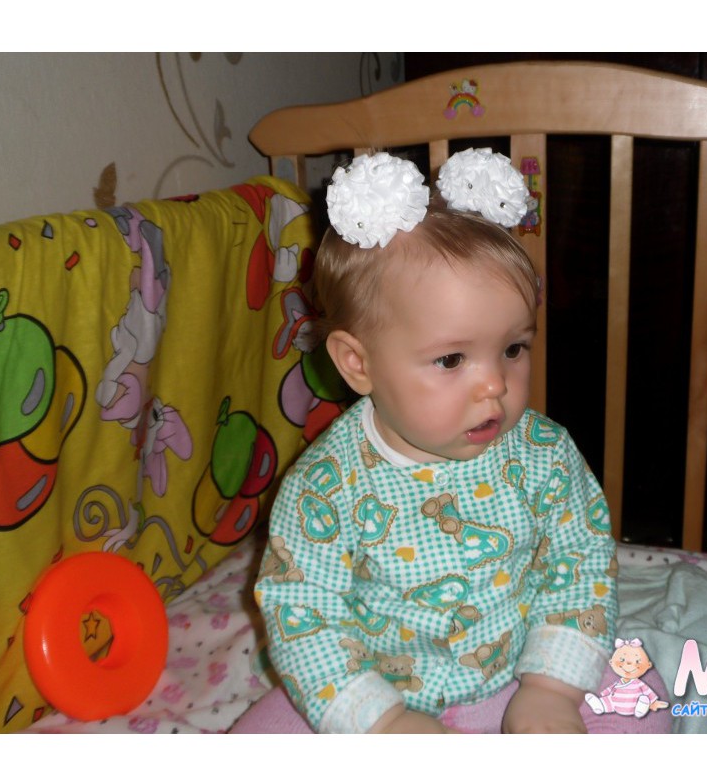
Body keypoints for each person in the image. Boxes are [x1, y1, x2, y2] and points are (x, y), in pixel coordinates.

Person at [235, 149, 618, 734]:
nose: (495, 385)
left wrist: (552, 687)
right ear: (357, 363)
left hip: (521, 669)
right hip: (376, 688)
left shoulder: (545, 454)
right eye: (452, 359)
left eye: (513, 348)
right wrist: (380, 719)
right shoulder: (325, 486)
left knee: (644, 704)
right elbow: (303, 612)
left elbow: (580, 560)